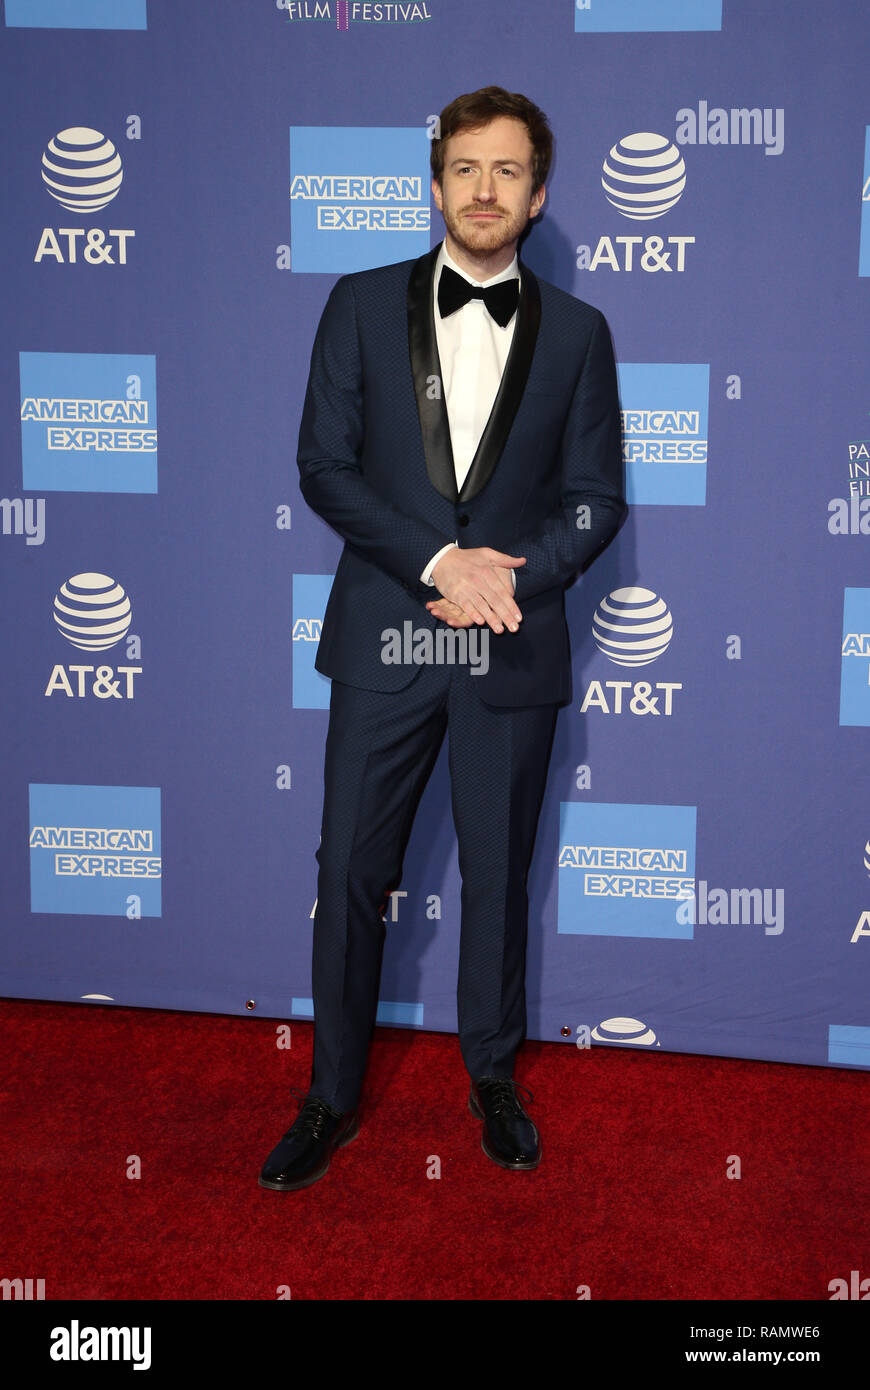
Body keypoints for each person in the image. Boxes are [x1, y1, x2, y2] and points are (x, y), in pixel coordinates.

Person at [259, 85, 625, 1192]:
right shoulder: (359, 305)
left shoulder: (581, 333)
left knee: (499, 876)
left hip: (507, 641)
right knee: (351, 868)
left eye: (507, 171)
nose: (484, 190)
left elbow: (597, 499)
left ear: (539, 192)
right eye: (465, 168)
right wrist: (437, 564)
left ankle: (494, 1078)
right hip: (387, 638)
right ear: (434, 185)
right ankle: (329, 1095)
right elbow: (323, 466)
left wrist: (508, 582)